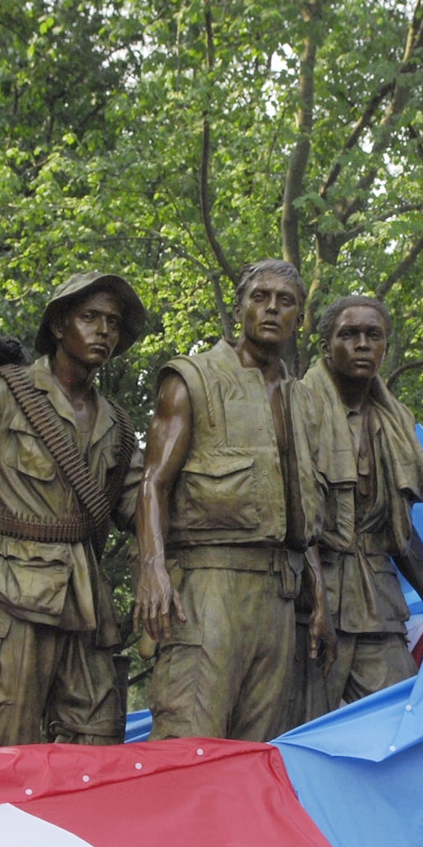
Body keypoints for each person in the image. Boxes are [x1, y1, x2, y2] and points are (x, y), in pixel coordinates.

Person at [0, 271, 148, 749]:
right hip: (12, 600)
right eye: (90, 317)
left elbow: (146, 510)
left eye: (114, 323)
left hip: (87, 611)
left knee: (96, 755)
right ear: (59, 327)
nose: (104, 330)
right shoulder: (5, 393)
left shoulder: (117, 425)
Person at [136, 260, 323, 741]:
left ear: (299, 317)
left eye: (286, 302)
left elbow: (302, 508)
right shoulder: (192, 379)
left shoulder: (303, 400)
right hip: (207, 586)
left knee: (257, 756)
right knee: (189, 740)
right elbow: (152, 482)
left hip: (280, 597)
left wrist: (317, 593)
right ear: (240, 307)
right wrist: (153, 566)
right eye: (260, 297)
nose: (271, 309)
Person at [294, 296, 423, 723]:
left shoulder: (396, 421)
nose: (362, 344)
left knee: (402, 726)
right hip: (308, 605)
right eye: (349, 335)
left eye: (372, 336)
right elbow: (293, 520)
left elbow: (401, 531)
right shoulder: (296, 407)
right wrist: (318, 601)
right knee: (302, 735)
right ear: (325, 346)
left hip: (377, 603)